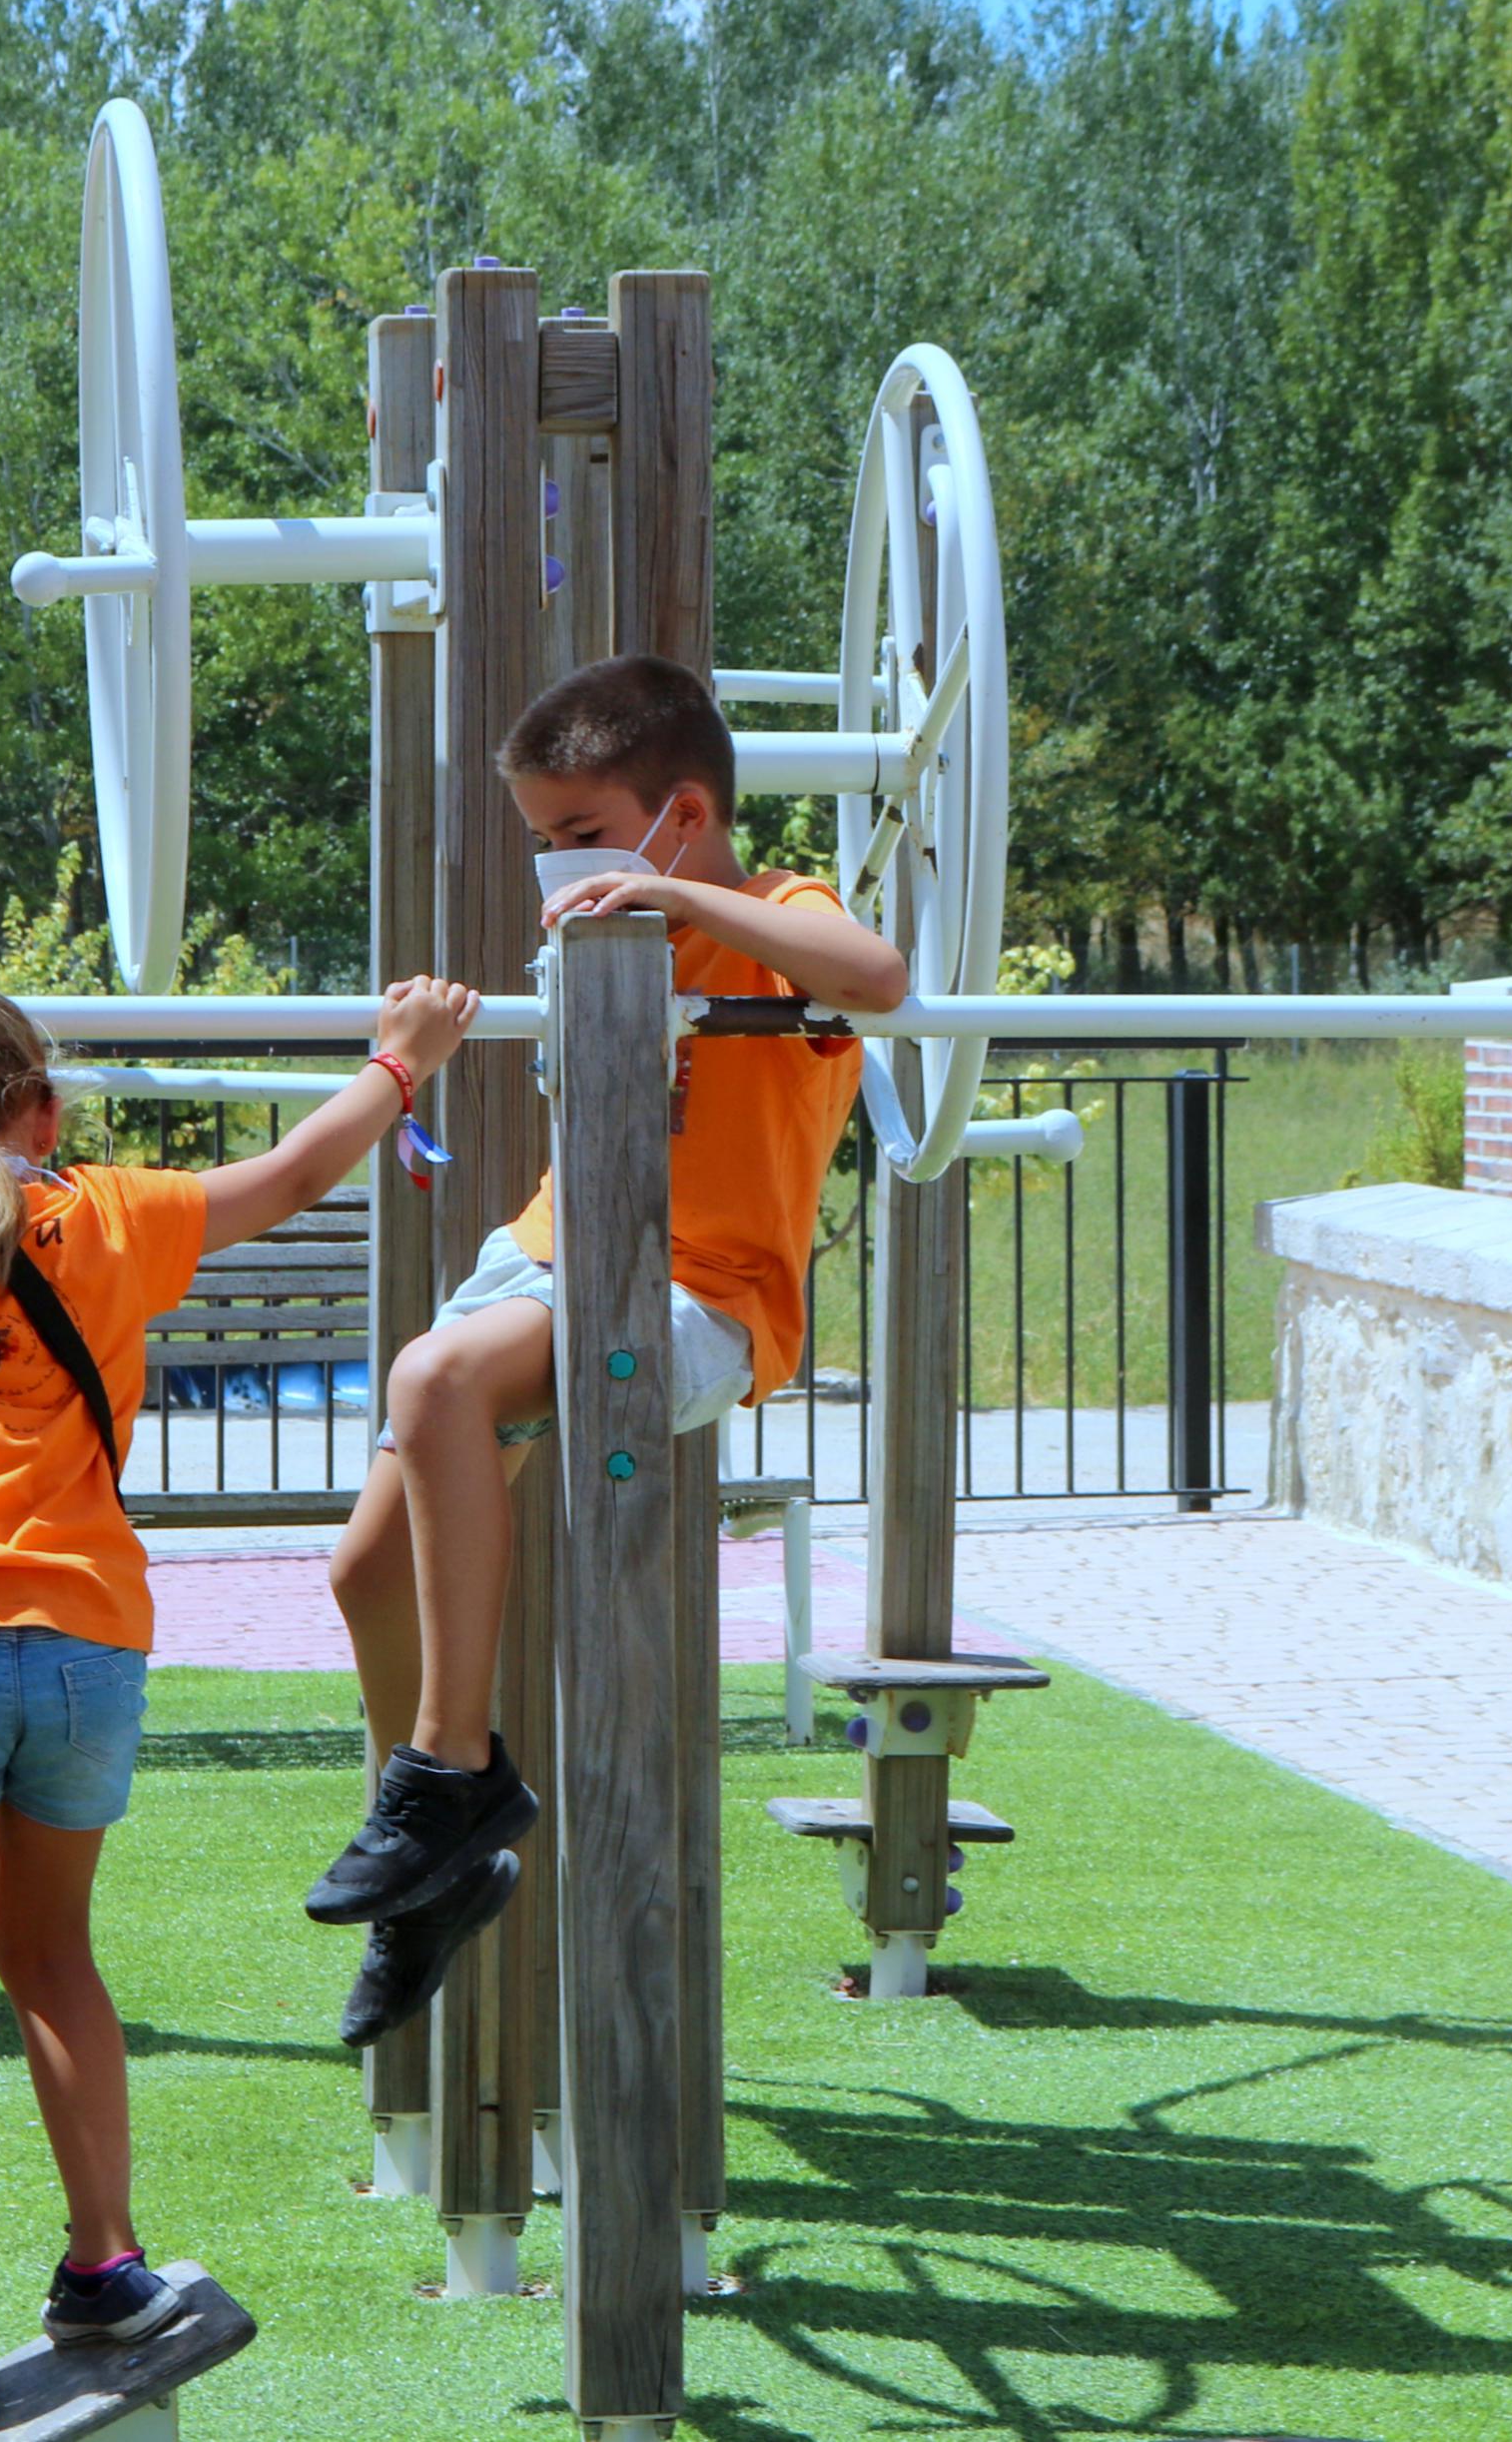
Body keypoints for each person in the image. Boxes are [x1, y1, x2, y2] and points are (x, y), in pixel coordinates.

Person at [0, 960, 477, 2438]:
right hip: (85, 1645)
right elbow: (289, 1176)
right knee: (60, 1963)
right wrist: (401, 1067)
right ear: (42, 1101)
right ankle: (106, 2265)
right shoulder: (112, 1214)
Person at [309, 653, 907, 2044]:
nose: (558, 863)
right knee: (362, 1571)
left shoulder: (766, 912)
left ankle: (454, 1776)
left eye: (580, 834)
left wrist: (672, 900)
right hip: (548, 1258)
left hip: (700, 1296)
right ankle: (434, 1877)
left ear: (680, 814)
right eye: (544, 838)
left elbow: (874, 976)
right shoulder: (587, 934)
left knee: (435, 1375)